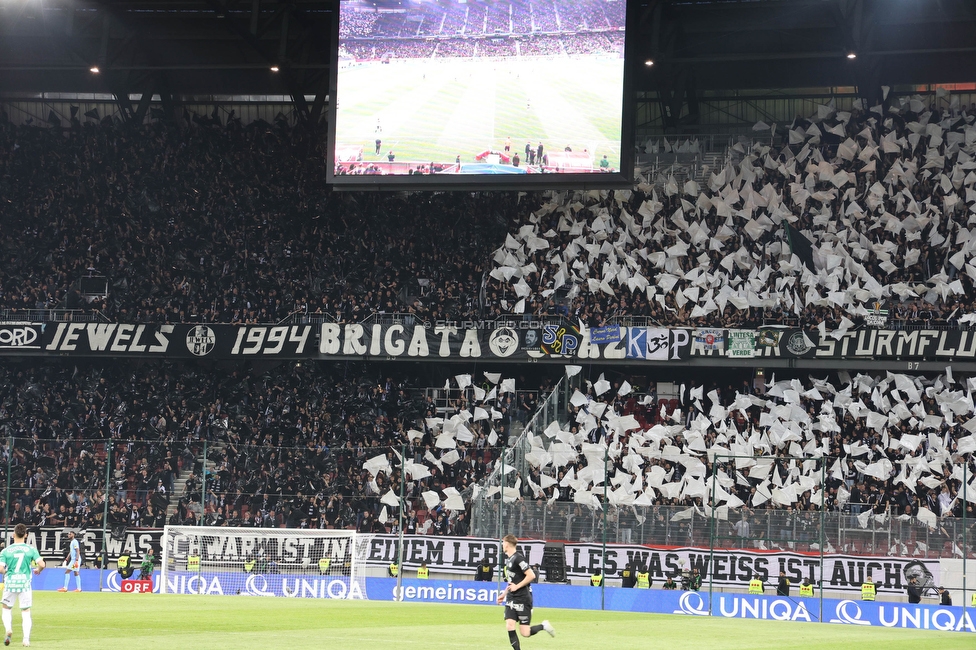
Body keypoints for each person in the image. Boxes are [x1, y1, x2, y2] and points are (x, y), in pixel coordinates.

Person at [496, 534, 554, 649]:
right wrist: (504, 594)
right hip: (512, 598)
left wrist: (517, 587)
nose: (502, 545)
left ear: (507, 544)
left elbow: (531, 575)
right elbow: (512, 582)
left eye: (503, 542)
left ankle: (543, 626)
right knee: (509, 624)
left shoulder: (518, 558)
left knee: (525, 633)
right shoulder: (508, 561)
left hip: (523, 598)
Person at [0, 523, 45, 647]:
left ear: (13, 534)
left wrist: (6, 572)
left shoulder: (6, 551)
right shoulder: (31, 549)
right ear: (26, 535)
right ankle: (26, 639)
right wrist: (38, 570)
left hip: (10, 583)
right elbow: (42, 564)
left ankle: (8, 629)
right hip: (24, 584)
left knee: (6, 608)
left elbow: (0, 568)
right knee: (26, 611)